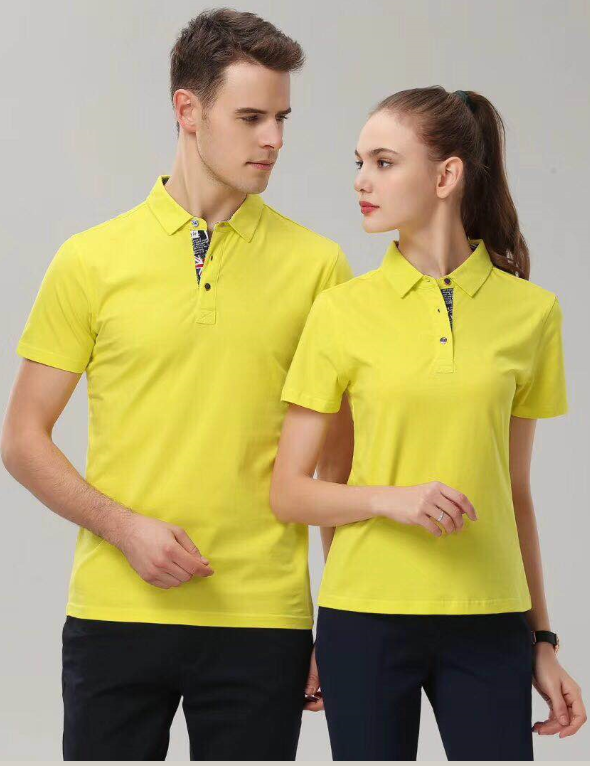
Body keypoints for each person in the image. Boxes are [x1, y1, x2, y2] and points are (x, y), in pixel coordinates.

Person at [0, 9, 353, 761]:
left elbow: (336, 468)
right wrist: (124, 528)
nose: (274, 140)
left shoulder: (319, 268)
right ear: (187, 110)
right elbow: (23, 439)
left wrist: (337, 625)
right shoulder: (90, 261)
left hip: (263, 620)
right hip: (116, 613)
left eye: (282, 118)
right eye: (251, 117)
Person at [270, 86, 586, 760]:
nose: (362, 181)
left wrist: (542, 640)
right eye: (359, 163)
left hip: (490, 620)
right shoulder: (339, 312)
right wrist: (393, 500)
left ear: (446, 176)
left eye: (384, 163)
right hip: (365, 618)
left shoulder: (533, 314)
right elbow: (290, 492)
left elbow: (516, 493)